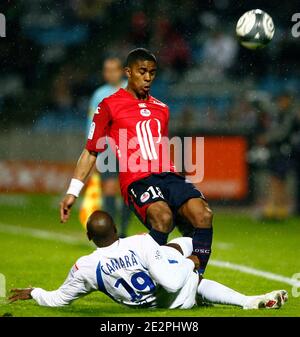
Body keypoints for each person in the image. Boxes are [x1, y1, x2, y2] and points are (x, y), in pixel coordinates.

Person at [60, 48, 213, 276]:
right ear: (128, 72)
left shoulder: (162, 108)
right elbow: (91, 151)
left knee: (204, 215)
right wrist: (73, 191)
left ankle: (195, 278)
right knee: (163, 219)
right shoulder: (108, 105)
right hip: (137, 179)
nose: (148, 77)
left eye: (152, 72)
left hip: (169, 176)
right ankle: (145, 273)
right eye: (142, 72)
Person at [9, 211, 288, 310]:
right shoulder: (140, 241)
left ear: (88, 237)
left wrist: (34, 292)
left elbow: (58, 299)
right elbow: (172, 280)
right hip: (176, 294)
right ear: (117, 230)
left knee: (176, 247)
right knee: (189, 247)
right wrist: (191, 262)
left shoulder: (84, 267)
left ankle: (248, 301)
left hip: (147, 303)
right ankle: (247, 301)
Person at [82, 57, 131, 237]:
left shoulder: (132, 90)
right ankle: (113, 232)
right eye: (107, 70)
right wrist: (91, 151)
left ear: (122, 71)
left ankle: (124, 231)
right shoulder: (99, 94)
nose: (110, 73)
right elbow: (92, 123)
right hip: (107, 148)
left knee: (129, 191)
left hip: (129, 147)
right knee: (109, 187)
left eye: (113, 70)